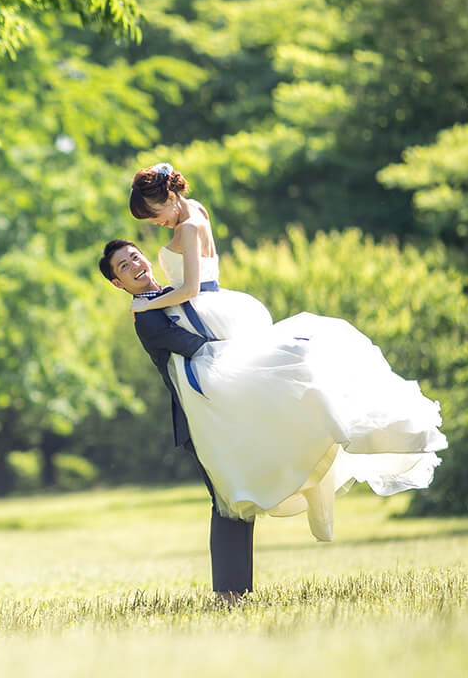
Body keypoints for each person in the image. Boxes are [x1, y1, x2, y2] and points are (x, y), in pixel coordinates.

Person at [115, 163, 447, 546]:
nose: (158, 224)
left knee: (243, 389)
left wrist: (148, 305)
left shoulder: (187, 227)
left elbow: (189, 288)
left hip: (204, 309)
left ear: (170, 198)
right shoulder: (198, 210)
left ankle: (276, 459)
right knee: (260, 385)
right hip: (223, 302)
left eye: (156, 216)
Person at [99, 238, 254, 602]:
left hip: (222, 407)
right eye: (124, 266)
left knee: (240, 497)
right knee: (226, 500)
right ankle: (229, 593)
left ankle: (239, 589)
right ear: (118, 284)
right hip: (199, 419)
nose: (135, 265)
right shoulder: (147, 318)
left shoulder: (171, 293)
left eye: (135, 256)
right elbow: (198, 347)